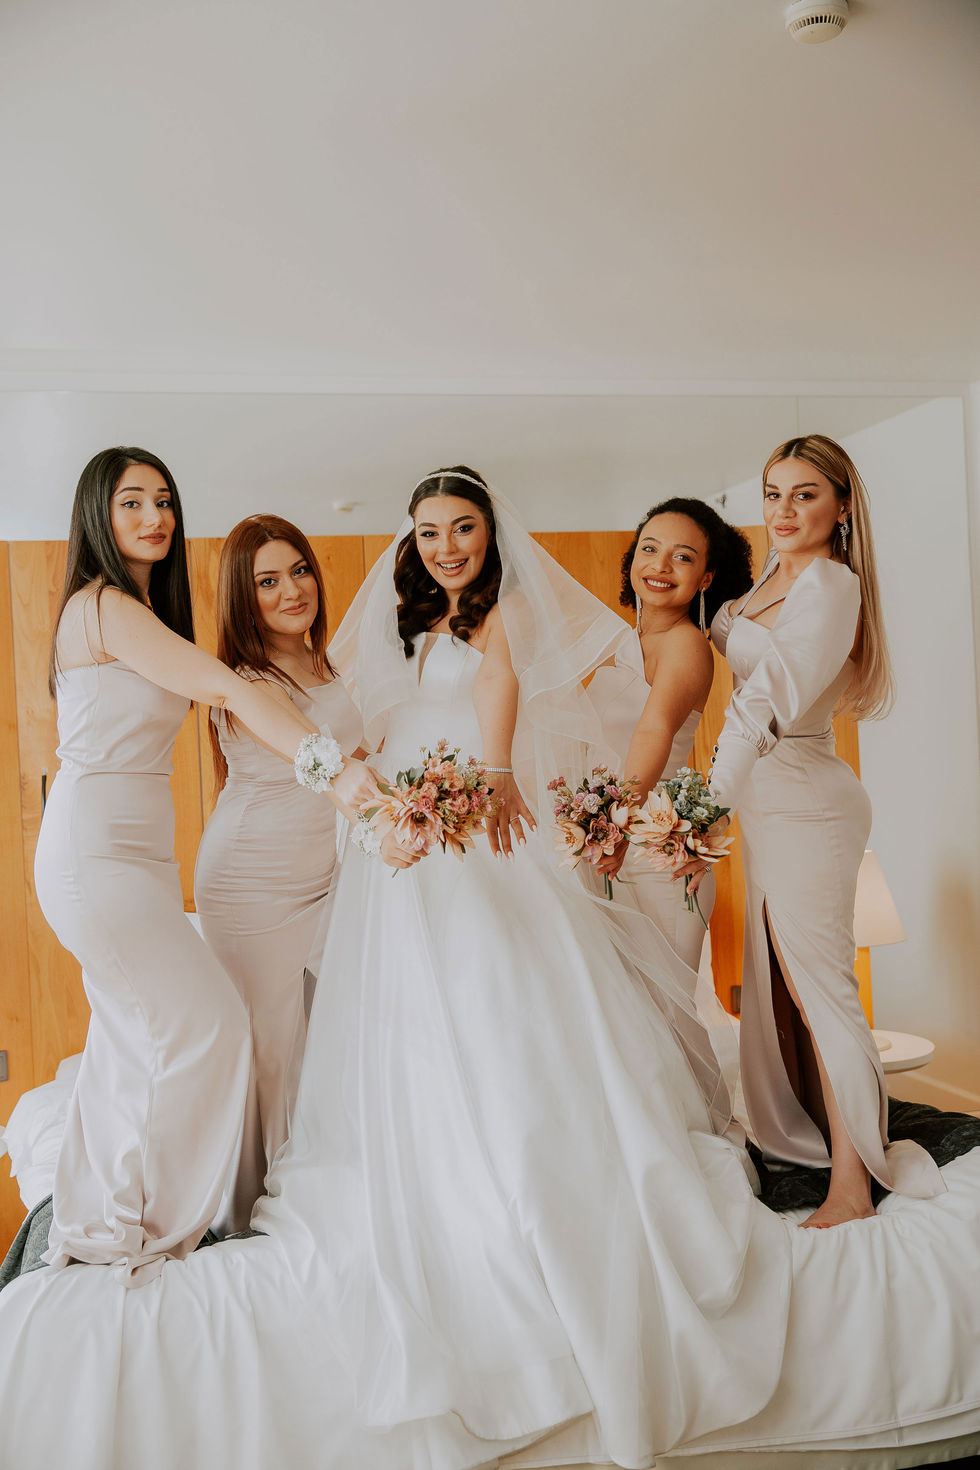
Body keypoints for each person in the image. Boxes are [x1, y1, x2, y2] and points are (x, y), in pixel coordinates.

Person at [2, 466, 979, 1470]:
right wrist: (391, 794)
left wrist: (494, 774)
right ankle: (192, 1199)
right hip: (391, 847)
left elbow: (503, 687)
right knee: (345, 1024)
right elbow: (359, 730)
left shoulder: (505, 612)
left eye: (460, 527)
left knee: (514, 1007)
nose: (443, 545)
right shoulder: (383, 633)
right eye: (427, 530)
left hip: (476, 823)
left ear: (484, 533)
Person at [35, 449, 377, 1283]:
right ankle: (164, 1229)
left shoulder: (145, 612)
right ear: (98, 518)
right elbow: (229, 690)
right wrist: (341, 776)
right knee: (210, 1026)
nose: (154, 517)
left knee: (129, 1039)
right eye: (132, 504)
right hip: (94, 853)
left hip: (141, 858)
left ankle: (105, 1223)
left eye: (164, 502)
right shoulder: (104, 606)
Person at [703, 435, 943, 1226]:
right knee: (794, 992)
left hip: (804, 795)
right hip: (769, 801)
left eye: (804, 494)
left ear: (841, 507)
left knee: (824, 993)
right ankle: (820, 1138)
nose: (783, 510)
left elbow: (766, 697)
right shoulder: (773, 575)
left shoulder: (832, 585)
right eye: (773, 493)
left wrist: (703, 805)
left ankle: (851, 1187)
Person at [194, 515, 365, 1231]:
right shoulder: (242, 681)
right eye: (268, 580)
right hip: (252, 879)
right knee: (269, 1046)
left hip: (323, 875)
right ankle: (249, 1210)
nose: (292, 589)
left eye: (299, 570)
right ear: (244, 596)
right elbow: (319, 760)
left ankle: (313, 1181)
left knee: (322, 1033)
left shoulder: (334, 665)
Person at [589, 498, 752, 970]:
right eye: (649, 549)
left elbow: (654, 729)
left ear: (705, 578)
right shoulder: (626, 641)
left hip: (657, 851)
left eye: (682, 556)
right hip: (614, 840)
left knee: (667, 1019)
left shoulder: (686, 644)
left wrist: (618, 822)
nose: (660, 565)